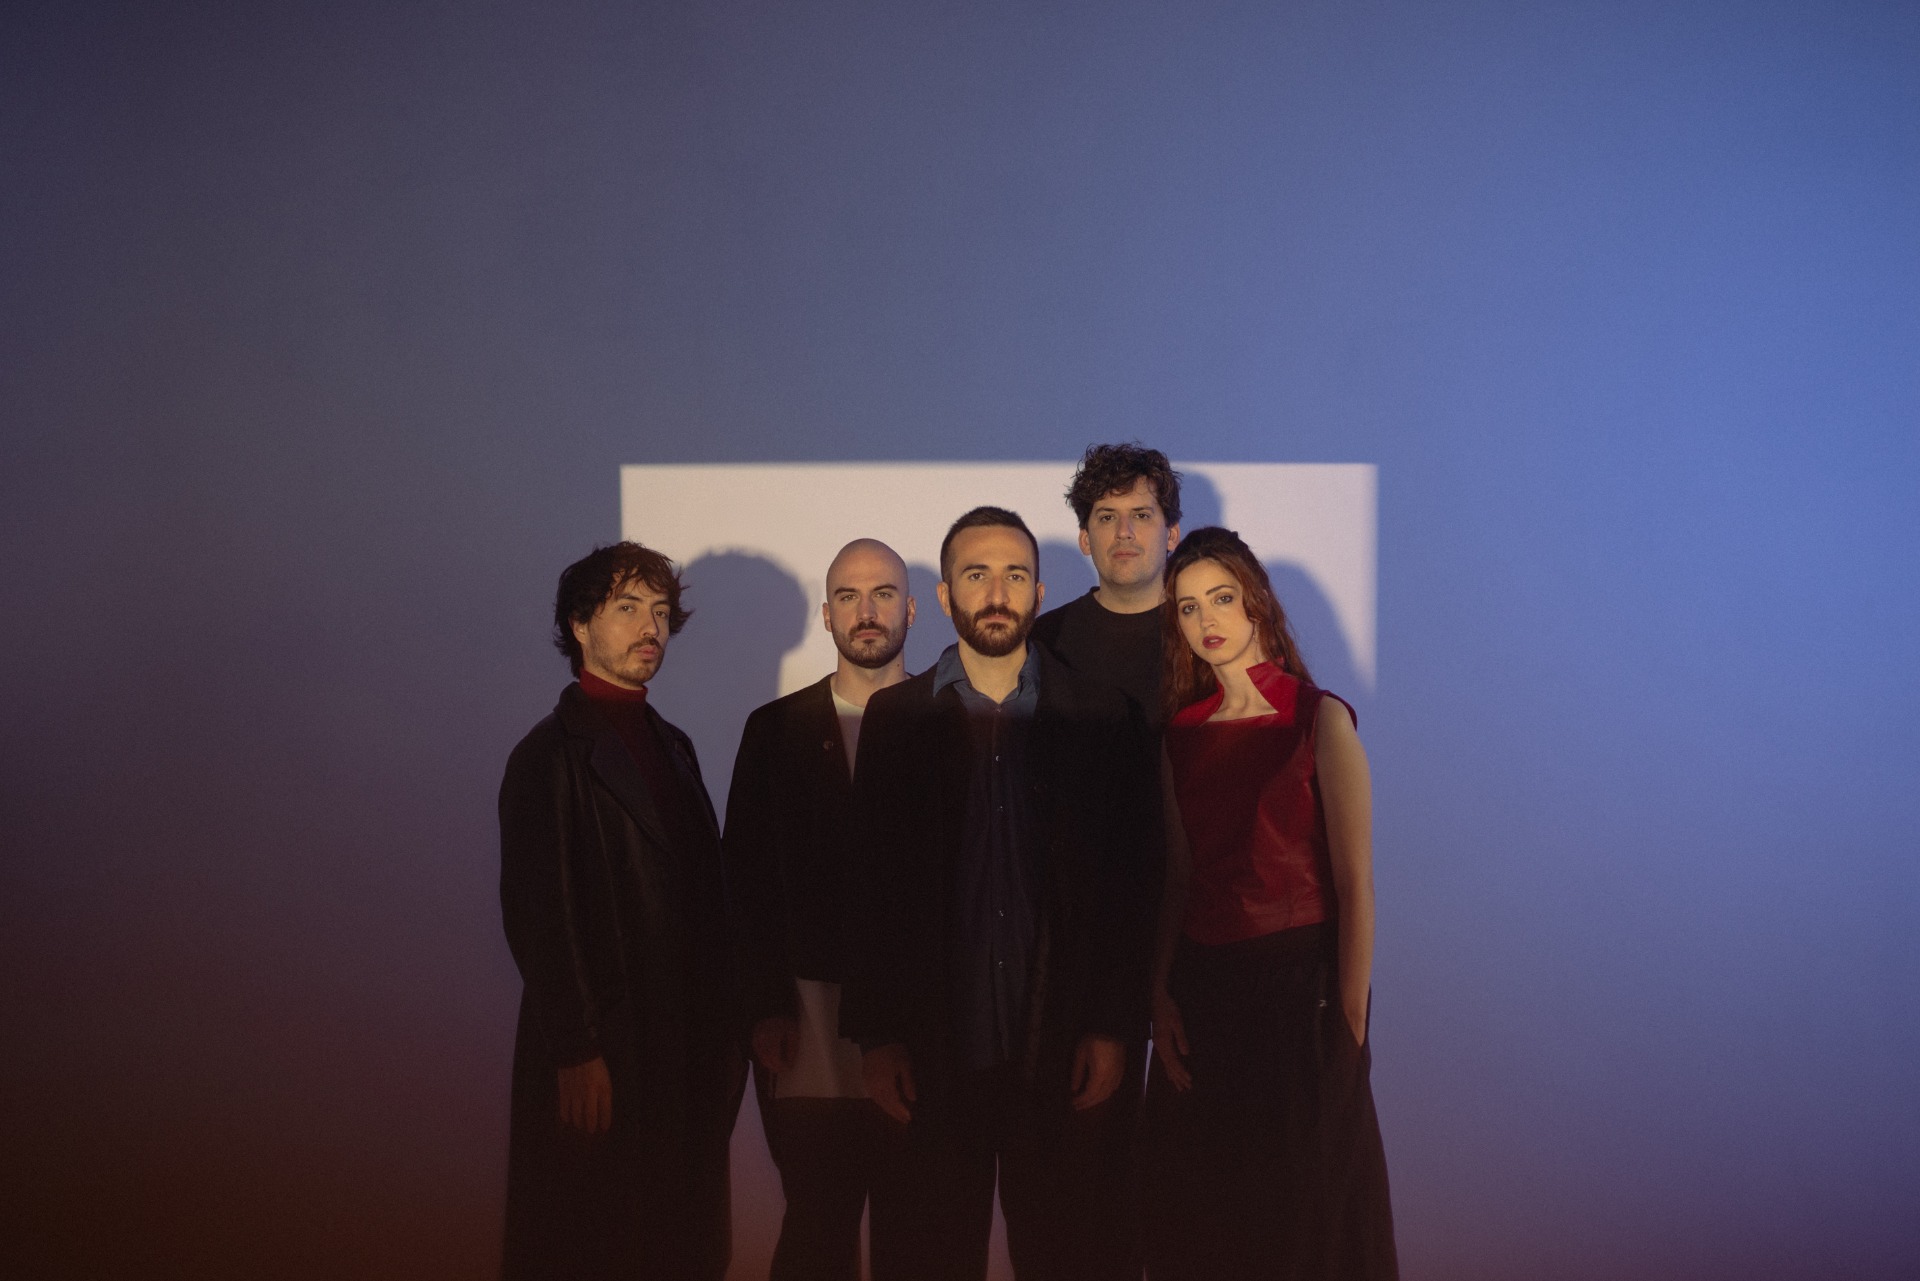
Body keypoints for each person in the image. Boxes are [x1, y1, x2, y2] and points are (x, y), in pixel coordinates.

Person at [843, 506, 1160, 1281]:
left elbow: (1130, 887)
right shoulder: (895, 717)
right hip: (932, 1053)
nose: (996, 592)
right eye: (976, 574)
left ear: (1038, 593)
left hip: (1059, 1049)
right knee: (925, 1259)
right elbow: (871, 885)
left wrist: (1114, 1027)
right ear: (944, 595)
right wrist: (875, 1036)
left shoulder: (1101, 714)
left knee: (1071, 1259)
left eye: (1015, 575)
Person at [1145, 527, 1397, 1281]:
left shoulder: (1319, 718)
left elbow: (1356, 885)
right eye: (1188, 607)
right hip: (1204, 998)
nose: (1206, 619)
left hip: (1298, 1000)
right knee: (1205, 1227)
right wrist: (1159, 994)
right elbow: (1179, 877)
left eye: (1221, 597)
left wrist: (1349, 1023)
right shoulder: (1180, 735)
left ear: (1256, 600)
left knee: (1303, 1229)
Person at [497, 542, 745, 1281]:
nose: (650, 628)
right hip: (607, 1047)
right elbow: (539, 913)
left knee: (678, 1240)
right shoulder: (548, 754)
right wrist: (576, 1047)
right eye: (628, 607)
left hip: (683, 1047)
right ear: (580, 625)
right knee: (596, 1241)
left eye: (661, 612)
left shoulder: (674, 745)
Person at [724, 538, 917, 1281]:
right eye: (848, 596)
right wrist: (764, 1005)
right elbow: (745, 877)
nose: (866, 611)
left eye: (883, 593)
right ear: (827, 614)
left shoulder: (945, 720)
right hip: (805, 1019)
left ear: (910, 609)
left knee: (913, 1226)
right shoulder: (774, 729)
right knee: (817, 1222)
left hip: (918, 1019)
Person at [1031, 442, 1183, 727]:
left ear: (1172, 535)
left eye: (1141, 515)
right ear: (1085, 539)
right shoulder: (1043, 641)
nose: (1124, 532)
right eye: (1107, 517)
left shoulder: (1205, 631)